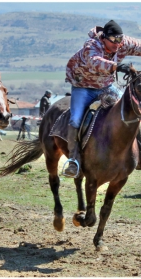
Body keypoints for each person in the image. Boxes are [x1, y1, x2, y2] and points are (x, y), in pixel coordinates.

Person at [64, 19, 141, 177]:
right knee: (76, 120)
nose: (116, 44)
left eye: (119, 39)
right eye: (113, 40)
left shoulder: (122, 43)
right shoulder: (91, 45)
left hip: (105, 86)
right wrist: (116, 66)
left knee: (131, 111)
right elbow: (95, 62)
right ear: (103, 37)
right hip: (83, 87)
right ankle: (73, 160)